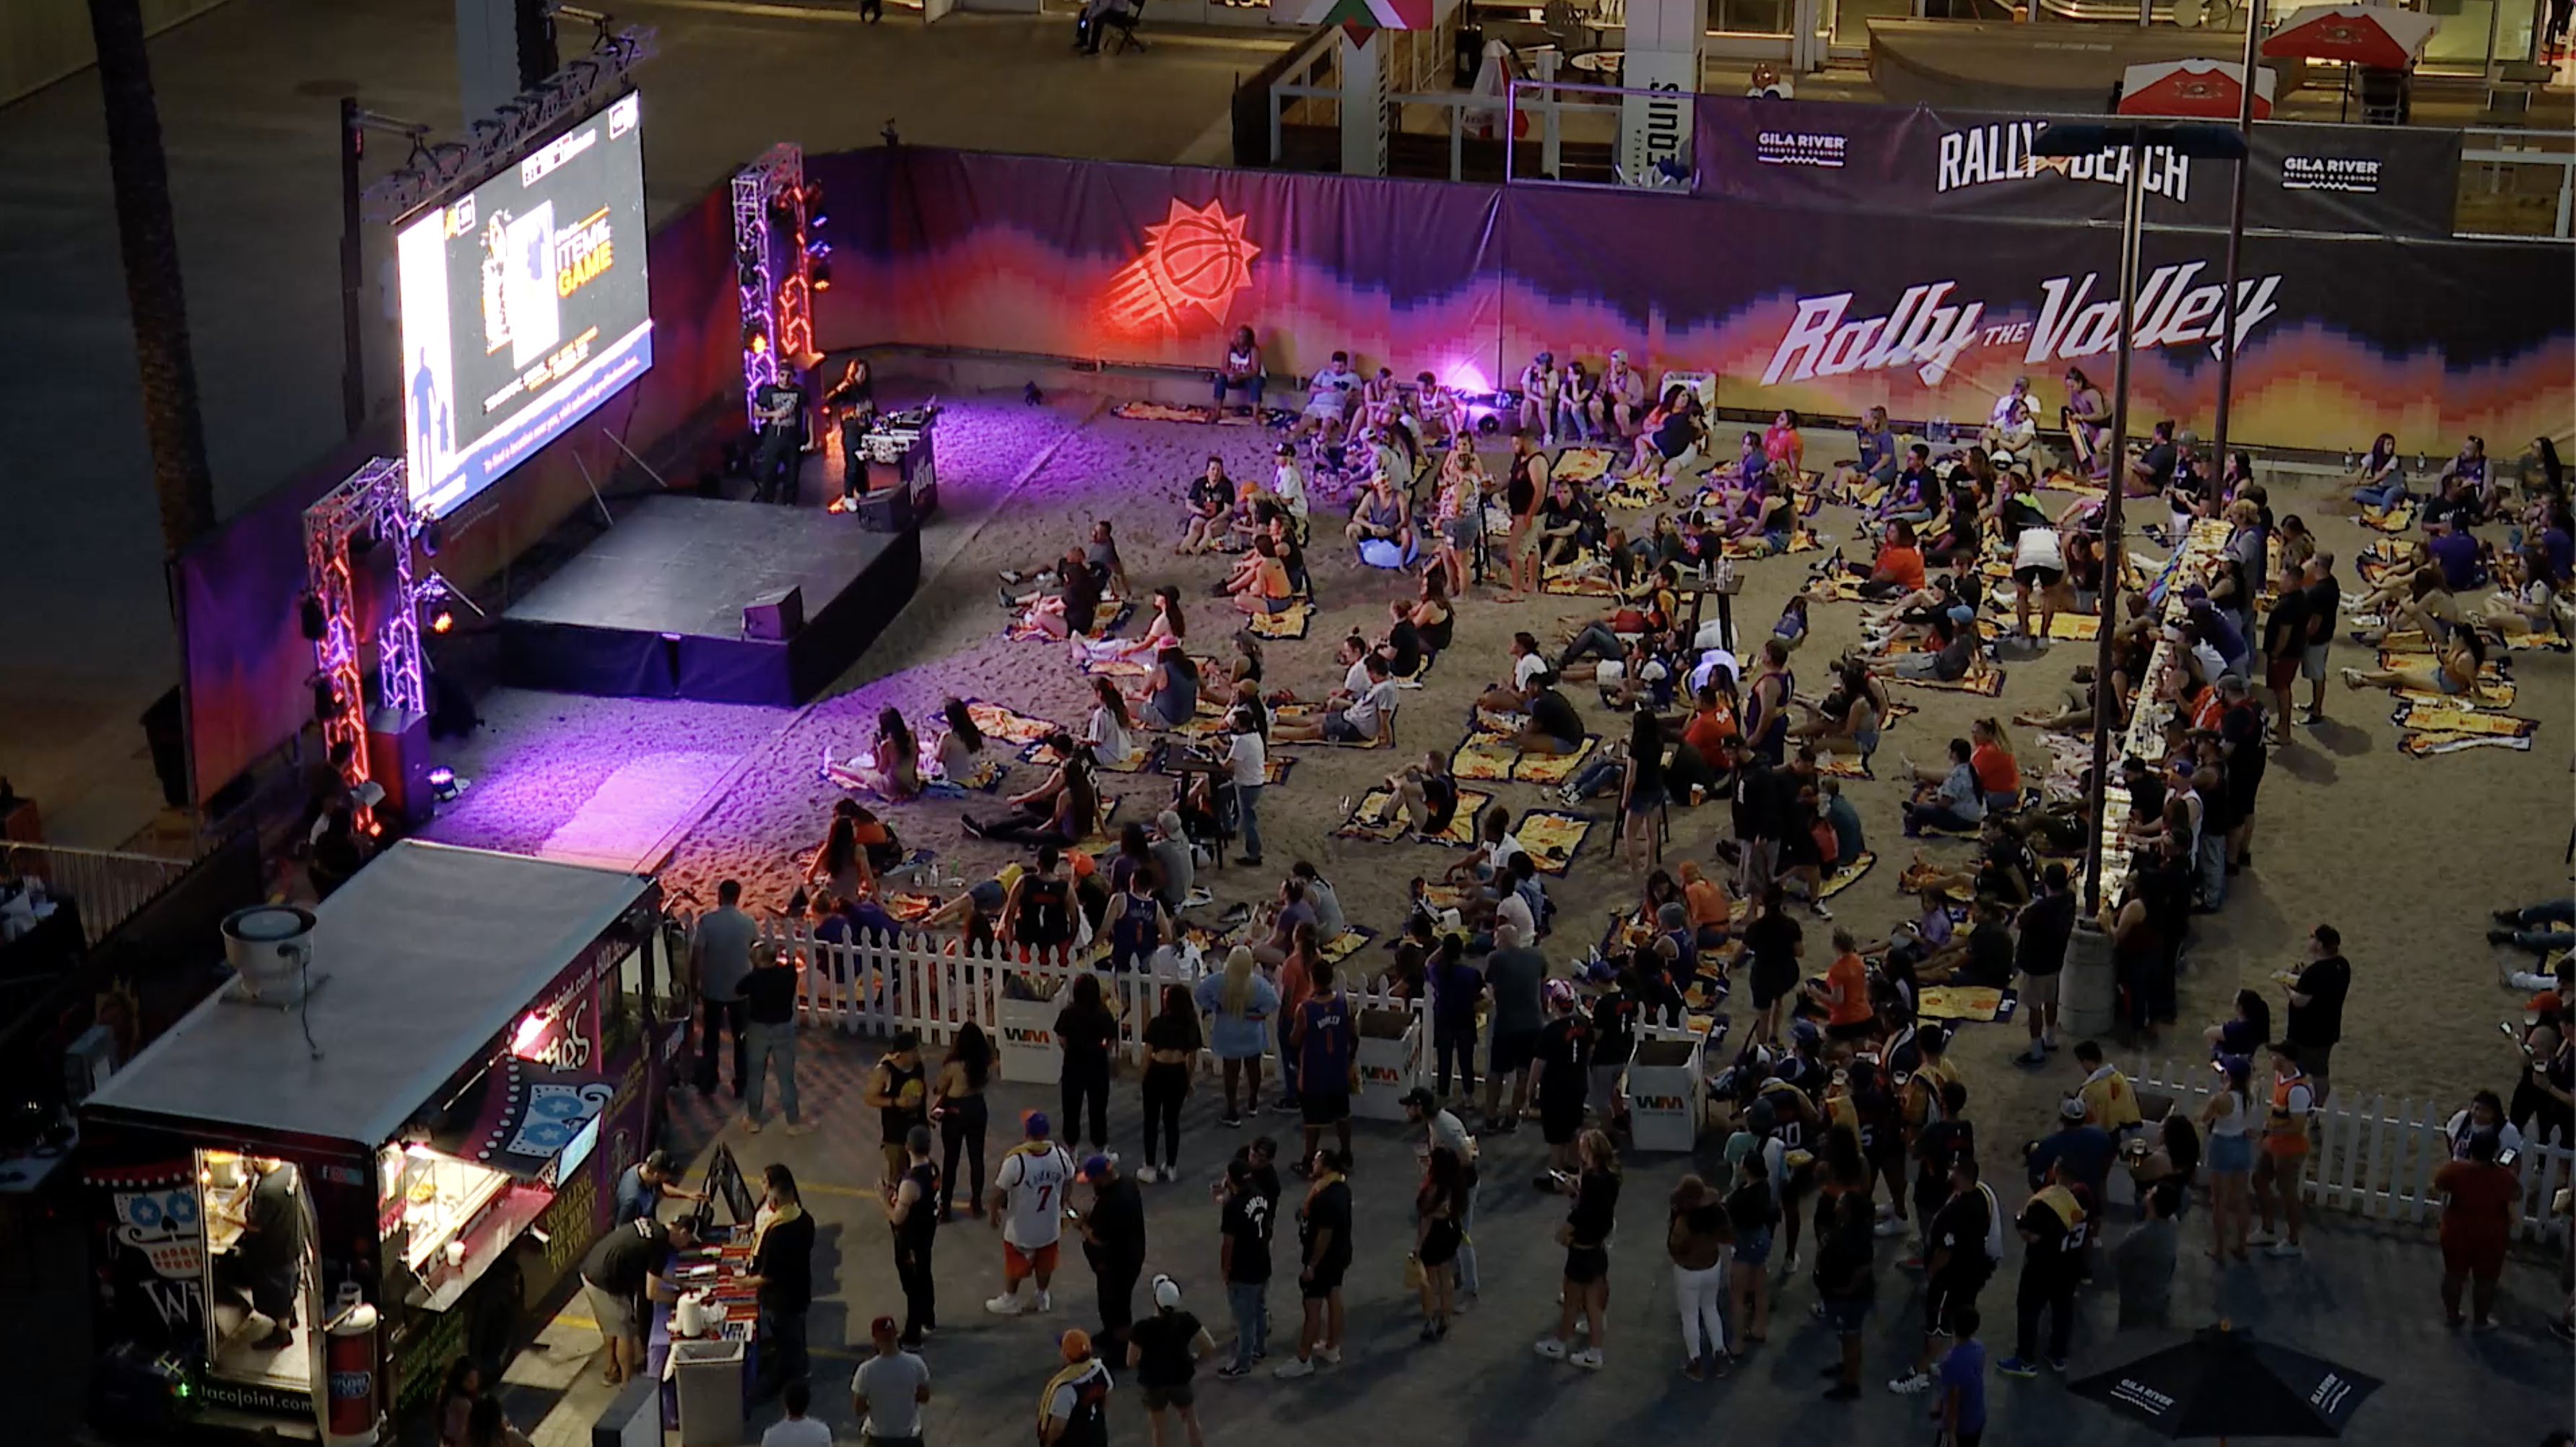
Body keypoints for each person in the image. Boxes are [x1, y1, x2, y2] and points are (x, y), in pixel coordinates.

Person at [1892, 1153, 2000, 1396]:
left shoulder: (1959, 1210)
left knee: (1937, 1326)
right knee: (1954, 1320)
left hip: (1950, 1279)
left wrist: (1931, 1272)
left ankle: (1918, 1374)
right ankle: (1941, 1361)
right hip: (1969, 1276)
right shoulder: (1981, 1198)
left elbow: (1946, 1250)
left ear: (1961, 1175)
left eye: (1953, 1170)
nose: (1949, 1172)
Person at [1536, 1128, 1621, 1370]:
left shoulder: (1593, 1181)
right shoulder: (1611, 1177)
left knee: (1572, 1299)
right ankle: (1595, 1349)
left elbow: (1583, 1211)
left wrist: (1565, 1230)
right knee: (1594, 1302)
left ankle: (1560, 1342)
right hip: (1597, 1247)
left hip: (1582, 1249)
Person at [1996, 1156, 2087, 1378]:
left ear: (2057, 1171)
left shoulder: (2045, 1202)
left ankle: (2025, 1359)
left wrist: (2019, 1220)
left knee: (2029, 1310)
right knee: (2063, 1310)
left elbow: (2032, 1236)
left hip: (2043, 1266)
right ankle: (2058, 1355)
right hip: (2071, 1264)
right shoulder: (2085, 1196)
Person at [579, 1214, 695, 1386]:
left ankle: (611, 1369)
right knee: (625, 1330)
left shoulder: (654, 1227)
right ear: (684, 1233)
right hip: (603, 1280)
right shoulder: (659, 1246)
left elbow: (654, 1270)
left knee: (612, 1324)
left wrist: (678, 1283)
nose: (686, 1246)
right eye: (689, 1241)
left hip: (593, 1268)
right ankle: (627, 1383)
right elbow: (652, 1293)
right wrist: (679, 1299)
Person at [1273, 1147, 1353, 1377]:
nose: (1312, 1164)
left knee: (1313, 1307)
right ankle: (1332, 1348)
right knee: (1334, 1295)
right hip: (1341, 1254)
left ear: (1326, 1166)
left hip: (1324, 1260)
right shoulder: (1341, 1187)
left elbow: (1324, 1235)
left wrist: (1312, 1266)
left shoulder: (1326, 1197)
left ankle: (1303, 1359)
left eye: (1317, 1161)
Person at [988, 1113, 1077, 1316]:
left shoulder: (1016, 1160)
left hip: (1021, 1227)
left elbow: (998, 1192)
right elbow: (1069, 1181)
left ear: (1026, 1132)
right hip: (1048, 1224)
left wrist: (993, 1214)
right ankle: (1042, 1296)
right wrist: (1062, 1202)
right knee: (1046, 1261)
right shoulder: (1060, 1156)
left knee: (1014, 1261)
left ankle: (1010, 1299)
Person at [744, 1163, 817, 1396]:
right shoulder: (805, 1219)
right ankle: (801, 1367)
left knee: (785, 1340)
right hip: (800, 1289)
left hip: (780, 1299)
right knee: (797, 1333)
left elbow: (767, 1276)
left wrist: (743, 1283)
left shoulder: (777, 1234)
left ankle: (788, 1381)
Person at [2433, 1132, 2519, 1329]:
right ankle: (2481, 1320)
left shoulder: (2454, 1170)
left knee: (2453, 1274)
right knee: (2485, 1280)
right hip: (2491, 1233)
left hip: (2457, 1230)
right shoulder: (2504, 1177)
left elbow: (2440, 1185)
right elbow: (2517, 1194)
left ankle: (2452, 1314)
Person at [1073, 1154, 1147, 1361]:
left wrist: (1082, 1227)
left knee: (1118, 1305)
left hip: (1120, 1263)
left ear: (1101, 1176)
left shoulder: (1114, 1200)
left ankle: (1123, 1350)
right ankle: (1110, 1333)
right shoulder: (1125, 1183)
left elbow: (1099, 1239)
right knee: (1107, 1301)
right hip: (1123, 1256)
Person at [1125, 1275, 1213, 1447]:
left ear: (1155, 1300)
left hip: (1154, 1383)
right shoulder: (1186, 1320)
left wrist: (1145, 1364)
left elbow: (1130, 1361)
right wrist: (1196, 1358)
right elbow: (1209, 1345)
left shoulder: (1142, 1328)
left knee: (1159, 1428)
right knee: (1191, 1420)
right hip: (1180, 1379)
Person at [2249, 1040, 2317, 1259]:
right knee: (2259, 1180)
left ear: (2286, 1060)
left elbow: (2297, 1126)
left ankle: (2294, 1240)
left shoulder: (2298, 1091)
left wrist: (2267, 1133)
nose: (2271, 1060)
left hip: (2289, 1149)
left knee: (2288, 1195)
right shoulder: (2281, 1079)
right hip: (2274, 1144)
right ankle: (2268, 1229)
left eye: (2275, 1056)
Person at [690, 879, 757, 1098]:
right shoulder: (748, 923)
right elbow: (755, 952)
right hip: (740, 987)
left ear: (720, 895)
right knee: (741, 1038)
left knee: (711, 1037)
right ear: (738, 897)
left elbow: (698, 955)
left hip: (713, 986)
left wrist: (695, 983)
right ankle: (742, 1083)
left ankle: (709, 1081)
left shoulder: (707, 922)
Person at [1292, 959, 1359, 1169]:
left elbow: (1294, 1040)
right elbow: (1354, 1036)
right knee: (1343, 1114)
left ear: (1312, 979)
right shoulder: (1345, 1003)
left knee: (1312, 1121)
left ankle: (1308, 1160)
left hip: (1314, 1072)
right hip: (1338, 1069)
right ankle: (1346, 1154)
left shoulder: (1305, 1009)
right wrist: (1349, 1060)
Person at [1666, 1174, 1733, 1378]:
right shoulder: (1717, 1212)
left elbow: (1674, 1247)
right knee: (1711, 1309)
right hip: (1712, 1266)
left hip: (1688, 1272)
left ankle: (1695, 1362)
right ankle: (1720, 1353)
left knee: (1690, 1315)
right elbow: (1728, 1236)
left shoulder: (1683, 1219)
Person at [1481, 921, 1547, 1131]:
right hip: (1533, 1023)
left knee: (1496, 1073)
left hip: (1506, 1024)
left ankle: (1491, 1117)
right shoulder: (1538, 957)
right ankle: (1513, 1115)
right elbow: (1542, 988)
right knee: (1524, 1073)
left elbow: (1490, 987)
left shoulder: (1495, 959)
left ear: (1500, 941)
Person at [739, 939, 806, 1136]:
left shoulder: (753, 979)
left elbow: (738, 989)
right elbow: (791, 965)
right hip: (783, 1028)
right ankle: (793, 1122)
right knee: (786, 1078)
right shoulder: (787, 975)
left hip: (758, 1028)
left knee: (755, 1077)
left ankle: (754, 1120)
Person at [1814, 1191, 1876, 1400]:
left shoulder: (1855, 1237)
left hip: (1849, 1299)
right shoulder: (1847, 1229)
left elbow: (1863, 1268)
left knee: (1851, 1336)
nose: (1836, 1203)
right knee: (1847, 1334)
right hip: (1842, 1296)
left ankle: (1851, 1382)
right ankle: (1847, 1365)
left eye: (1840, 1201)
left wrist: (1848, 1289)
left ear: (1848, 1210)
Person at [1136, 984, 1201, 1183]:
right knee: (1172, 1121)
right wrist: (1188, 1081)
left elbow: (1147, 1056)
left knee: (1151, 1121)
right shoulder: (1190, 1024)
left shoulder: (1157, 1023)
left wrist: (1142, 1079)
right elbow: (1192, 1059)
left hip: (1157, 1071)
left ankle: (1149, 1167)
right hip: (1178, 1073)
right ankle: (1171, 1166)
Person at [2284, 924, 2351, 1106]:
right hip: (2328, 1029)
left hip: (2305, 1033)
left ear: (2320, 945)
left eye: (2312, 937)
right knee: (2321, 1072)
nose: (2309, 940)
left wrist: (2287, 988)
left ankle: (2298, 1107)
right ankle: (2319, 1107)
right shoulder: (2342, 965)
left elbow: (2300, 1001)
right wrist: (2303, 977)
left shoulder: (2314, 973)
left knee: (2296, 1073)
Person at [2200, 1054, 2258, 1260]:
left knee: (2219, 1201)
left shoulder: (2220, 1099)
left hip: (2223, 1145)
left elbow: (2204, 1118)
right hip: (2242, 1144)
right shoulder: (2249, 1097)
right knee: (2241, 1199)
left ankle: (2219, 1249)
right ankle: (2242, 1246)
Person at [934, 1027, 993, 1220]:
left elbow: (939, 1087)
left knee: (951, 1159)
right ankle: (976, 1203)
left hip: (956, 1110)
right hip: (977, 1106)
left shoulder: (954, 1066)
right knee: (977, 1158)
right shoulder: (983, 1063)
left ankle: (946, 1207)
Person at [1056, 973, 1118, 1152]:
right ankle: (1100, 1148)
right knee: (1098, 1107)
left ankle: (1071, 1148)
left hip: (1073, 1062)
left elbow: (1061, 1038)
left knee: (1071, 1107)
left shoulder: (1068, 1013)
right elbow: (1112, 1041)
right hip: (1097, 1063)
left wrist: (1072, 1049)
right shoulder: (1103, 1013)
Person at [850, 1314, 931, 1447]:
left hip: (878, 1438)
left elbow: (858, 1409)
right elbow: (924, 1397)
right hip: (909, 1436)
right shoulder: (916, 1363)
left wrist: (878, 1403)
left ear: (875, 1339)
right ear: (896, 1335)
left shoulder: (866, 1370)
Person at [1413, 1144, 1467, 1341]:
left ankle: (1430, 1321)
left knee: (1428, 1280)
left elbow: (1427, 1217)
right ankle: (1445, 1316)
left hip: (1434, 1236)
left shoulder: (1434, 1187)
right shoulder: (1457, 1184)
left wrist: (1418, 1247)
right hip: (1451, 1233)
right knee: (1446, 1275)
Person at [863, 1033, 931, 1185]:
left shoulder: (918, 1066)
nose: (917, 1055)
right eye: (913, 1051)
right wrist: (896, 1102)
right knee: (899, 1177)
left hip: (917, 1127)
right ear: (901, 1054)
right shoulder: (885, 1072)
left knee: (919, 1172)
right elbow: (869, 1098)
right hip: (896, 1134)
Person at [1038, 1329, 1113, 1447]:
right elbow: (1105, 1397)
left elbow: (1058, 1428)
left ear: (1066, 1355)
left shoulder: (1066, 1388)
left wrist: (1048, 1443)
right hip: (1097, 1437)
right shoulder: (1100, 1369)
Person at [613, 1150, 702, 1225]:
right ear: (656, 1175)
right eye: (666, 1176)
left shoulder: (645, 1172)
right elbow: (621, 1232)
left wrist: (688, 1195)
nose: (668, 1178)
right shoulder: (632, 1199)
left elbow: (661, 1187)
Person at [1212, 326, 1263, 413]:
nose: (1236, 339)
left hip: (1247, 380)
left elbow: (1255, 371)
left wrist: (1240, 376)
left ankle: (1255, 415)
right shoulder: (1229, 348)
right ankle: (1217, 412)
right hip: (1233, 379)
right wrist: (1230, 374)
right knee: (1220, 378)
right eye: (1236, 336)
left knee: (1256, 381)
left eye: (1240, 337)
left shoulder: (1254, 350)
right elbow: (1224, 368)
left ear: (1247, 339)